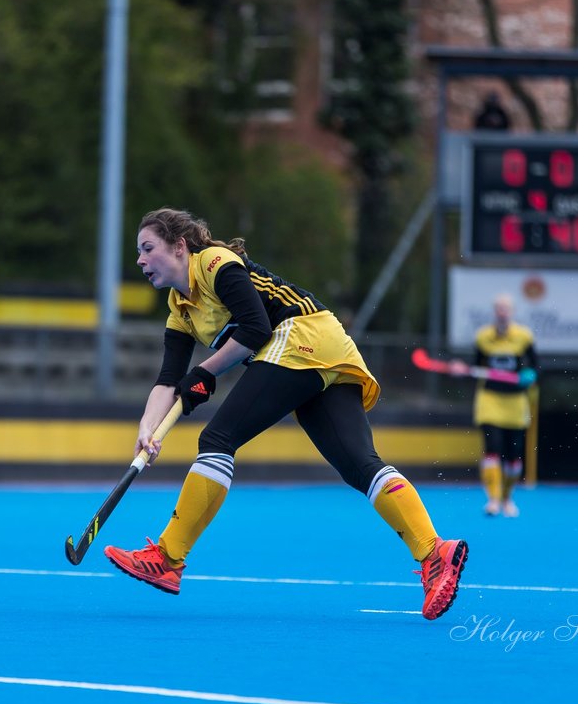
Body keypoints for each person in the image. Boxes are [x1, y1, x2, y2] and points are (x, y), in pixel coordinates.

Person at [102, 208, 468, 621]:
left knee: (217, 440)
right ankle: (434, 550)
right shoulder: (180, 309)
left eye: (147, 249)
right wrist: (148, 428)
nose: (140, 260)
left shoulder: (215, 263)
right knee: (360, 466)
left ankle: (168, 558)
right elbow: (168, 380)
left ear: (180, 247)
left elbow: (256, 329)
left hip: (301, 338)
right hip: (326, 352)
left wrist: (205, 372)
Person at [451, 294, 538, 517]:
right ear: (494, 312)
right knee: (492, 448)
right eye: (498, 308)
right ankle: (493, 500)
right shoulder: (483, 338)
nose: (502, 313)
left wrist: (530, 375)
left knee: (513, 456)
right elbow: (475, 367)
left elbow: (536, 367)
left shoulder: (524, 337)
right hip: (489, 401)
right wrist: (462, 370)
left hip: (516, 403)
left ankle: (507, 498)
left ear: (512, 312)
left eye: (506, 309)